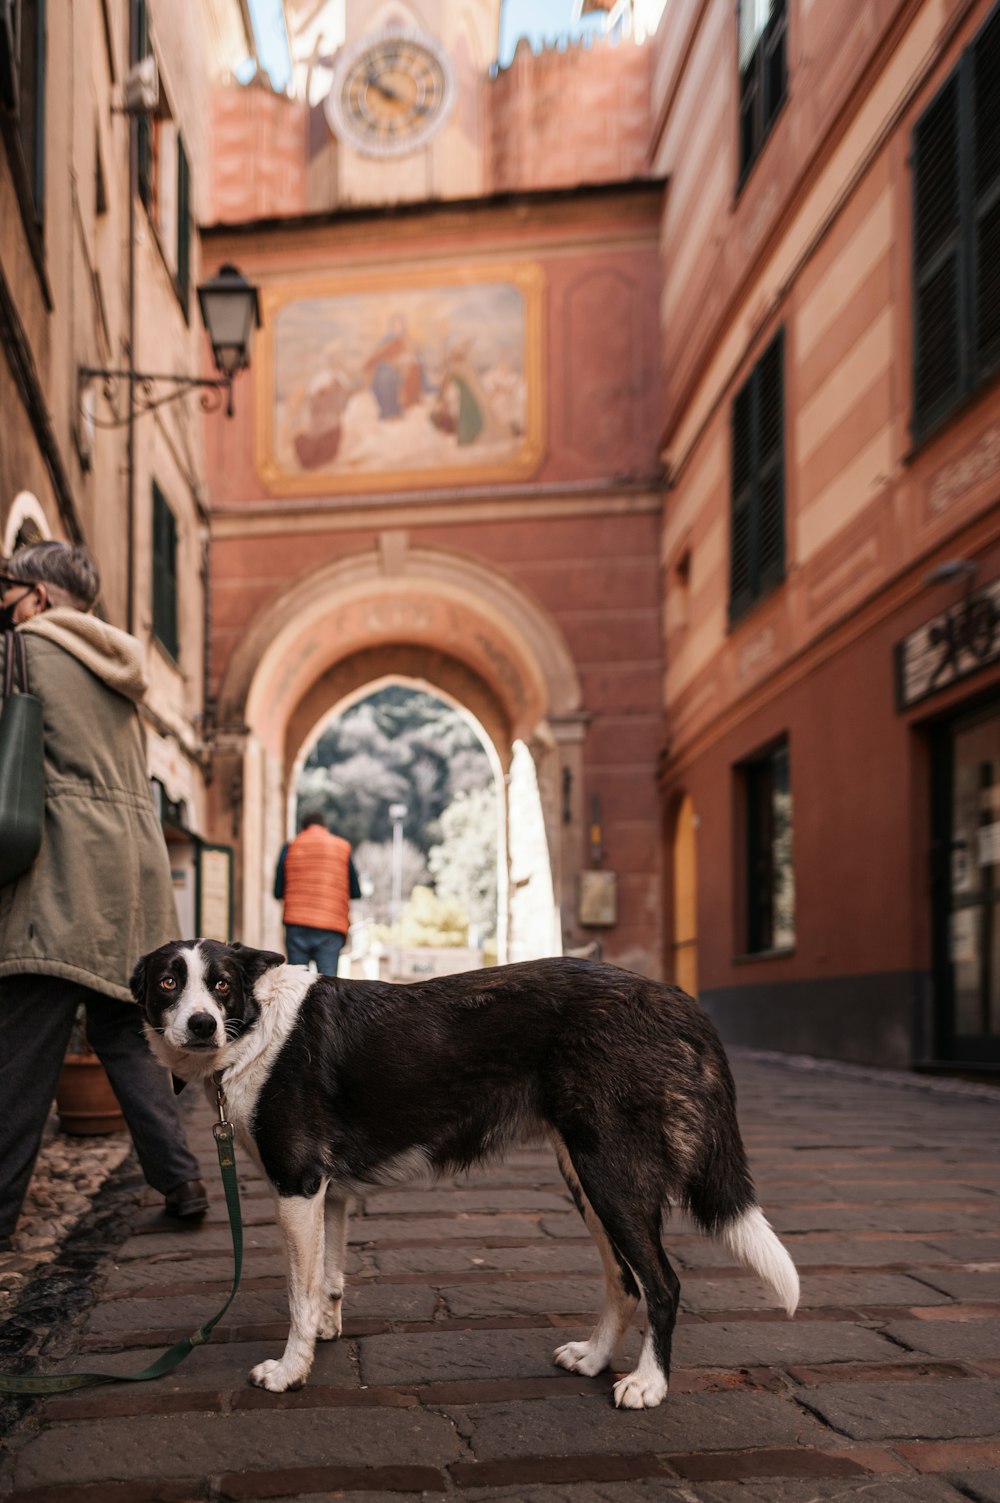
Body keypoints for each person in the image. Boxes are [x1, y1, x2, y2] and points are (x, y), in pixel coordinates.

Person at [0, 542, 207, 1251]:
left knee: (20, 1053)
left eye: (13, 587)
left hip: (60, 876)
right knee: (127, 1037)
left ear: (43, 596)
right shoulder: (119, 669)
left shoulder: (20, 653)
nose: (6, 599)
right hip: (132, 881)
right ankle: (182, 1182)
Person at [273, 812, 361, 975]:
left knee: (297, 981)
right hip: (331, 925)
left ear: (303, 828)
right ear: (325, 827)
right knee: (328, 982)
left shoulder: (291, 846)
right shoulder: (341, 847)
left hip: (297, 923)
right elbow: (356, 891)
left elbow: (278, 891)